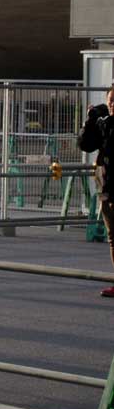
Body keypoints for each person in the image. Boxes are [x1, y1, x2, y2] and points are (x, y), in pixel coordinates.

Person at [77, 87, 114, 297]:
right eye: (110, 101)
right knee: (113, 238)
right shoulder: (105, 124)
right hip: (107, 189)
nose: (112, 105)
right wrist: (90, 122)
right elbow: (85, 145)